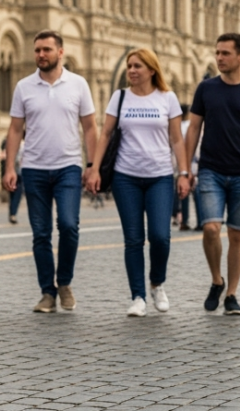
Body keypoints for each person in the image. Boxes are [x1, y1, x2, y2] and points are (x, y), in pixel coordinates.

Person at [2, 30, 98, 314]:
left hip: (69, 166)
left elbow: (90, 127)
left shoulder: (78, 84)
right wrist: (10, 167)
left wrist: (92, 166)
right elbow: (15, 129)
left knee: (68, 226)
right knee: (41, 234)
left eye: (46, 49)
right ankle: (47, 292)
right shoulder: (24, 87)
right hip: (34, 168)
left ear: (60, 52)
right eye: (37, 50)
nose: (41, 55)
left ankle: (64, 282)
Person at [88, 49, 188, 317]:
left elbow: (177, 139)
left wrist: (183, 172)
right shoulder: (120, 97)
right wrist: (94, 169)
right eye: (130, 66)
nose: (131, 70)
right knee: (133, 239)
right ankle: (138, 297)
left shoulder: (167, 98)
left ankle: (157, 283)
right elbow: (105, 134)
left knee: (160, 237)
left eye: (137, 66)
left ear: (152, 70)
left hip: (160, 176)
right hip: (125, 177)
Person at [183, 34, 240, 316]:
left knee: (237, 234)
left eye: (225, 53)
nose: (219, 58)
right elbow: (193, 128)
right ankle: (216, 280)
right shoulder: (206, 88)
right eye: (217, 53)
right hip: (210, 169)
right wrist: (186, 169)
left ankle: (232, 293)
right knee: (211, 228)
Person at [2, 140, 25, 225]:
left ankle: (12, 213)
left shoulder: (11, 143)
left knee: (13, 194)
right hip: (18, 172)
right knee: (16, 194)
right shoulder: (22, 145)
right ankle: (13, 214)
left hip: (14, 172)